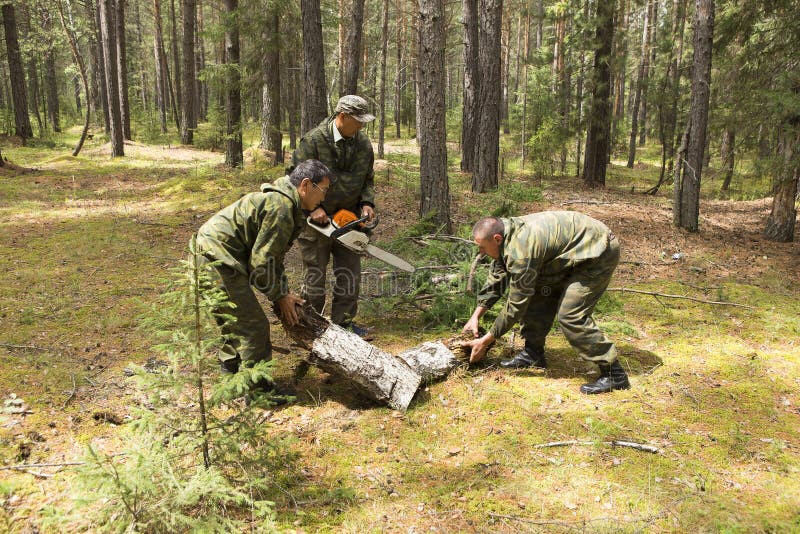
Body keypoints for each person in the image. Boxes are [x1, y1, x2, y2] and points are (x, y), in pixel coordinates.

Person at [461, 211, 630, 394]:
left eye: (483, 248)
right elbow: (497, 278)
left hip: (597, 251)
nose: (481, 253)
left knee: (570, 315)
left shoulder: (521, 250)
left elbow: (516, 304)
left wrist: (486, 340)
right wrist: (476, 316)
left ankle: (615, 374)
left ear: (496, 238)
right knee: (538, 297)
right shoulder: (505, 237)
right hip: (568, 254)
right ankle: (533, 354)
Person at [195, 159, 333, 382]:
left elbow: (273, 259)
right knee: (254, 326)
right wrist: (279, 296)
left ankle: (231, 378)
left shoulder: (286, 203)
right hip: (216, 257)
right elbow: (261, 264)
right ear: (306, 185)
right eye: (323, 190)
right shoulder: (281, 208)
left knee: (235, 319)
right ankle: (258, 389)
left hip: (215, 253)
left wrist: (284, 293)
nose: (324, 197)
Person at [289, 95, 376, 337]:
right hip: (315, 223)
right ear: (342, 117)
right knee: (314, 278)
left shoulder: (363, 143)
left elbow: (368, 178)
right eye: (357, 121)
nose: (361, 126)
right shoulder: (315, 141)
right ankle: (310, 328)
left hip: (348, 220)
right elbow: (295, 178)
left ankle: (344, 326)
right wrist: (311, 208)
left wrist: (367, 203)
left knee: (350, 276)